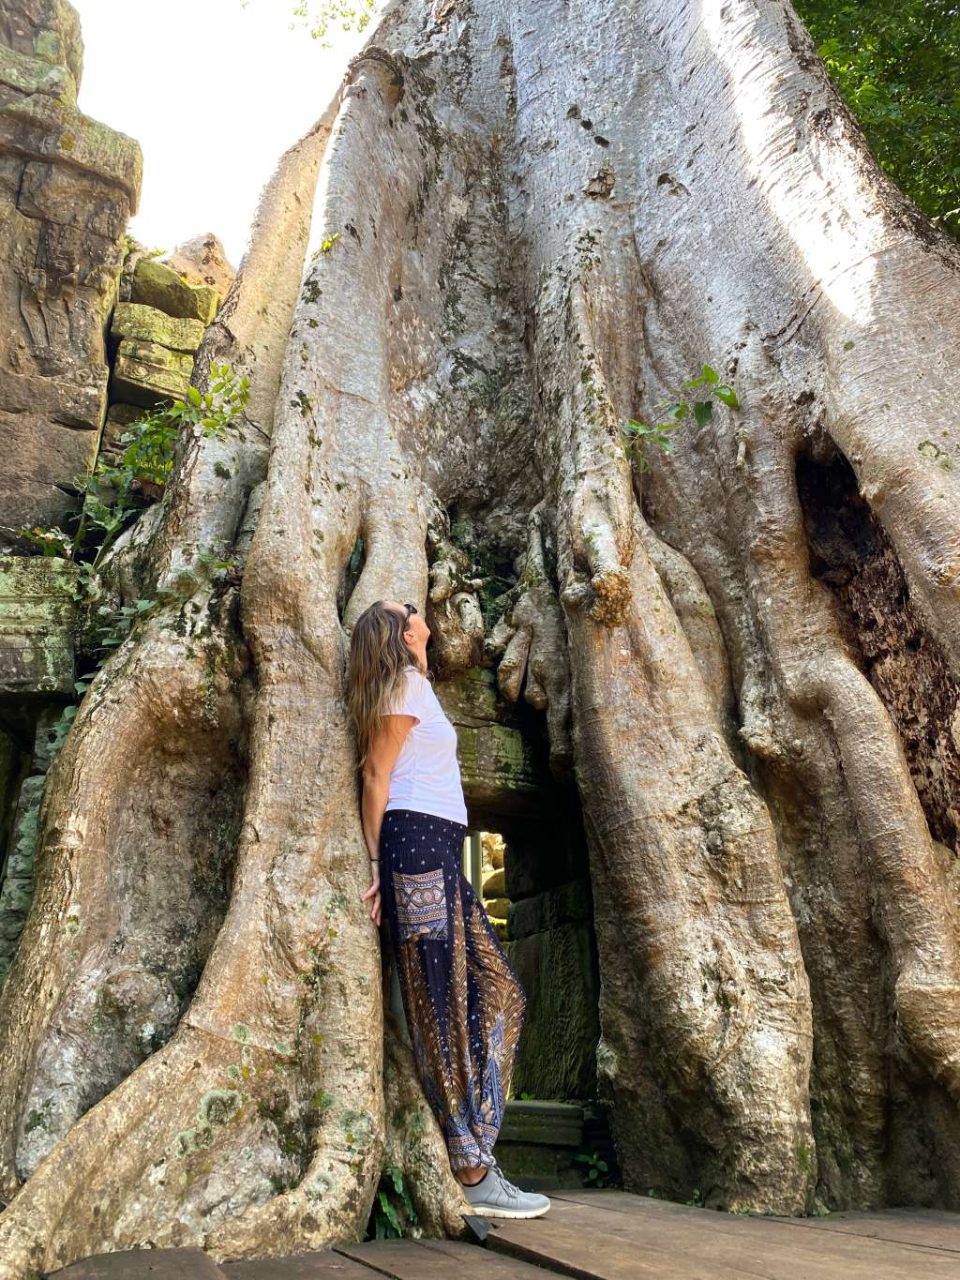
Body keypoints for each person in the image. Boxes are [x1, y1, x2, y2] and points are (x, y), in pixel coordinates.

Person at [346, 598, 551, 1220]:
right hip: (413, 849)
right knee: (439, 1006)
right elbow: (375, 776)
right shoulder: (401, 684)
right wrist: (377, 865)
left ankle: (473, 1143)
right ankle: (471, 1167)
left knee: (499, 990)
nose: (418, 607)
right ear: (399, 633)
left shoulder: (416, 682)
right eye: (407, 608)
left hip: (438, 847)